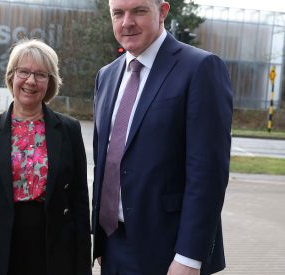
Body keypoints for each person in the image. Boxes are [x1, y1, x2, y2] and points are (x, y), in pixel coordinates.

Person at [92, 0, 233, 274]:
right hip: (112, 246)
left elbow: (208, 174)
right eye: (118, 13)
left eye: (139, 11)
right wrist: (100, 238)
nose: (126, 22)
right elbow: (106, 161)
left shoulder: (200, 68)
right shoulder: (106, 76)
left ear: (163, 12)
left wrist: (189, 257)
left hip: (169, 254)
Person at [0, 39, 92, 275]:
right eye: (24, 72)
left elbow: (80, 202)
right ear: (12, 76)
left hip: (54, 248)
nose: (31, 81)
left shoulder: (69, 130)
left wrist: (82, 264)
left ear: (50, 82)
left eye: (41, 74)